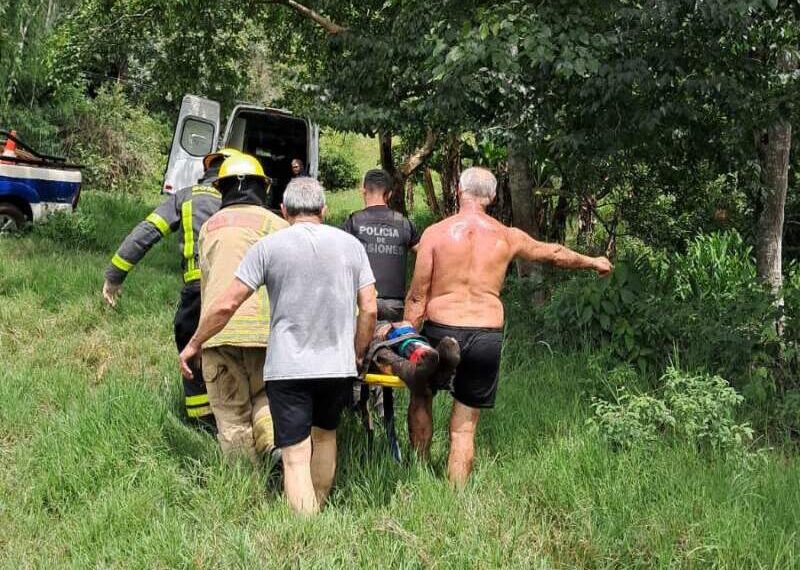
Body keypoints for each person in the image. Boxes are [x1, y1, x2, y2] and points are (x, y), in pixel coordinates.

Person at [404, 167, 613, 486]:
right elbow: (553, 253)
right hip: (485, 333)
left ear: (459, 192)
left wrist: (406, 337)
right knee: (464, 425)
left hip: (440, 327)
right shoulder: (507, 236)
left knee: (421, 396)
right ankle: (456, 496)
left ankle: (418, 473)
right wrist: (592, 261)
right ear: (491, 197)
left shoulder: (435, 233)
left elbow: (418, 296)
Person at [179, 177, 377, 514]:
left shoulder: (269, 247)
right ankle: (320, 506)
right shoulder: (351, 246)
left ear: (284, 211)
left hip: (289, 369)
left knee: (296, 456)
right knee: (325, 437)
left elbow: (227, 304)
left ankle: (305, 527)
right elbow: (369, 308)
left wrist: (194, 343)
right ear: (324, 210)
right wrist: (357, 354)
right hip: (337, 366)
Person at [102, 147, 242, 428]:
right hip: (238, 295)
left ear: (207, 171)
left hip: (196, 295)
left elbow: (147, 232)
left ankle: (203, 426)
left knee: (190, 355)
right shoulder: (243, 203)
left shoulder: (187, 197)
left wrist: (114, 276)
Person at [342, 169, 452, 459]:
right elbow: (423, 254)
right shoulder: (403, 223)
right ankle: (414, 357)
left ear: (364, 190)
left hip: (362, 302)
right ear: (389, 194)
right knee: (394, 339)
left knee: (362, 356)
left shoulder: (353, 222)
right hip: (396, 306)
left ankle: (359, 416)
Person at [197, 153, 288, 464]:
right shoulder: (277, 224)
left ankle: (243, 491)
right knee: (265, 397)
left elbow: (206, 283)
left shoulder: (208, 227)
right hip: (265, 336)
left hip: (219, 335)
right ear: (263, 188)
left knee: (232, 416)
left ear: (222, 189)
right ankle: (272, 446)